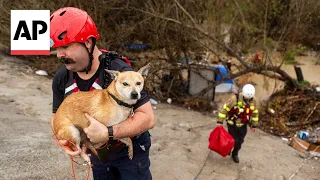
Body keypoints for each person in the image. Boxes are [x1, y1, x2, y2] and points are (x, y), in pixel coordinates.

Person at [49, 7, 155, 180]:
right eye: (57, 48)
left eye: (66, 46)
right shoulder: (62, 77)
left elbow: (148, 118)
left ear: (88, 43)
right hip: (99, 156)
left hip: (130, 153)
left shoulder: (121, 71)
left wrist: (108, 133)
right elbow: (56, 116)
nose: (59, 55)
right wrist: (66, 139)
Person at [216, 84, 259, 163]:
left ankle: (235, 153)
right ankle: (228, 148)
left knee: (239, 141)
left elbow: (255, 113)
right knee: (232, 139)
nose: (247, 99)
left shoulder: (254, 101)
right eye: (246, 98)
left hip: (243, 124)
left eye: (249, 98)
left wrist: (254, 125)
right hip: (232, 122)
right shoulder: (234, 99)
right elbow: (224, 109)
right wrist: (220, 121)